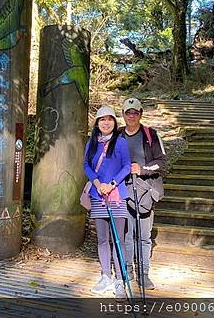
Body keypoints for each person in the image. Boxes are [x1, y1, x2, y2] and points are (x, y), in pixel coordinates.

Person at [84, 105, 132, 299]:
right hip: (97, 195)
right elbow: (86, 165)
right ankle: (106, 276)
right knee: (102, 239)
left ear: (114, 122)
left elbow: (127, 166)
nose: (106, 122)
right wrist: (97, 183)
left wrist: (111, 184)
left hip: (116, 196)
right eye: (102, 119)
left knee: (118, 240)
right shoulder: (92, 143)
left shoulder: (120, 142)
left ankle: (120, 279)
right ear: (97, 123)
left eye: (109, 119)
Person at [119, 97, 167, 290]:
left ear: (141, 114)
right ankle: (128, 271)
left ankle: (143, 273)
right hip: (123, 190)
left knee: (144, 236)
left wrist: (143, 169)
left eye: (135, 112)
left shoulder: (151, 135)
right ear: (123, 115)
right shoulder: (117, 134)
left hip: (146, 190)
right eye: (128, 112)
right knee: (127, 235)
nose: (131, 116)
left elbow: (162, 162)